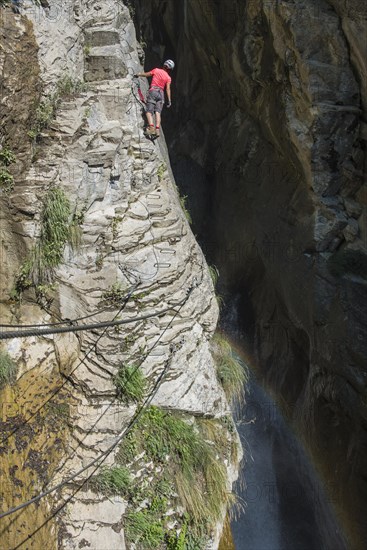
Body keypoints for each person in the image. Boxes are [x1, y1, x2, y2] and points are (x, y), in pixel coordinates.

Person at [134, 59, 174, 137]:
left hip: (153, 91)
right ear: (170, 70)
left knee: (149, 110)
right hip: (161, 94)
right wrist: (169, 100)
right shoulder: (168, 78)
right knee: (158, 112)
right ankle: (157, 129)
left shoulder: (157, 70)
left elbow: (147, 74)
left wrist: (138, 74)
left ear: (164, 65)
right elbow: (168, 89)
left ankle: (151, 127)